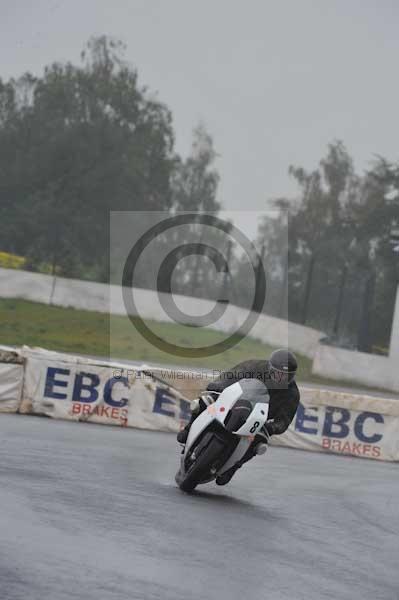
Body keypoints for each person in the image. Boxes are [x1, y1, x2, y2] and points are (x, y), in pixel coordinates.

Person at [177, 348, 300, 485]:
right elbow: (232, 375)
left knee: (260, 442)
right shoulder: (255, 366)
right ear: (270, 368)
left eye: (285, 376)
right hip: (235, 401)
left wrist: (272, 427)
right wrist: (218, 386)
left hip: (257, 419)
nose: (281, 378)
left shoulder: (292, 394)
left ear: (292, 376)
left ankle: (235, 466)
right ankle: (188, 429)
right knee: (205, 400)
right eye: (277, 374)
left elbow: (284, 420)